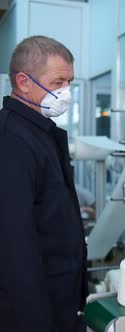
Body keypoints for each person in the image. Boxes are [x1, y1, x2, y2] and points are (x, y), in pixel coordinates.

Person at [0, 36, 87, 332]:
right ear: (23, 82)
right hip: (32, 314)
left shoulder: (40, 134)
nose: (66, 93)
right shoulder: (11, 140)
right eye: (58, 82)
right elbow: (14, 248)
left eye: (69, 82)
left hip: (60, 304)